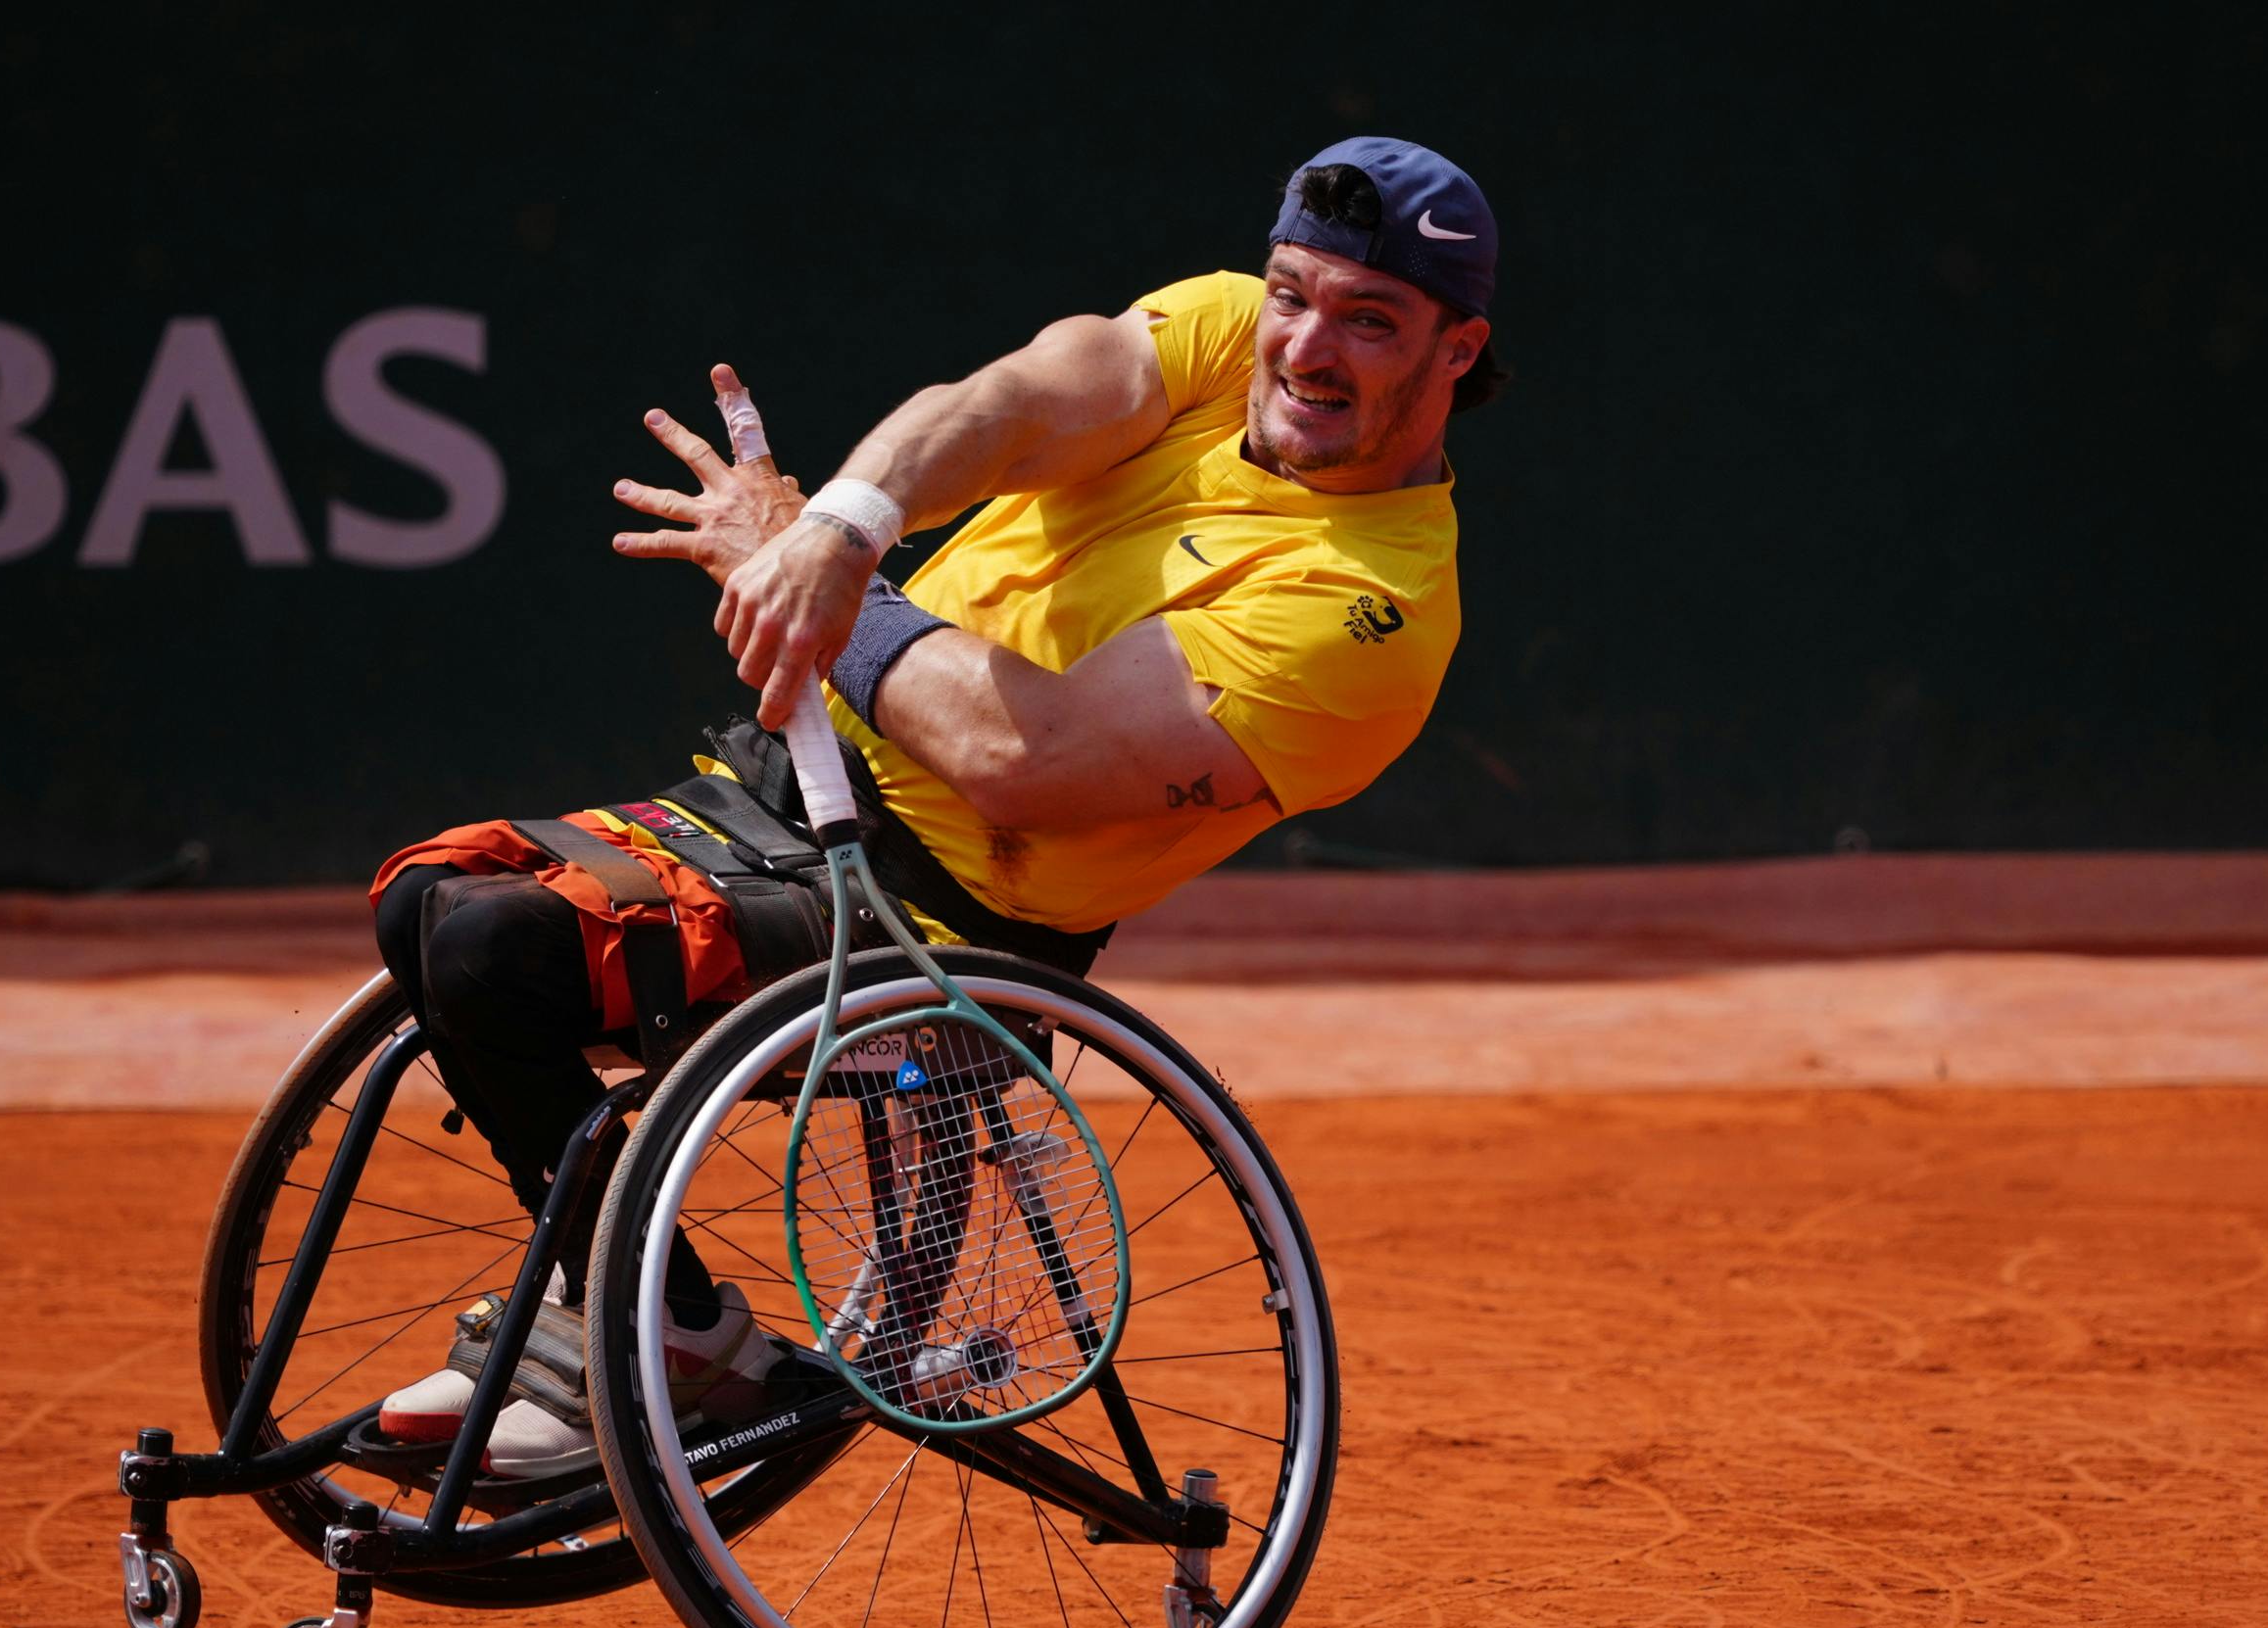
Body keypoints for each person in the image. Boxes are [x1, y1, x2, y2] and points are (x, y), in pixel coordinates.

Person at [368, 136, 1504, 1476]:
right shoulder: (1219, 334)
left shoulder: (1375, 613)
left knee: (494, 954)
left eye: (1372, 322)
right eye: (1293, 294)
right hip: (775, 799)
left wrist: (827, 590)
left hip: (930, 932)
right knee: (429, 893)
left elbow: (1022, 755)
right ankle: (638, 1308)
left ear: (1458, 352)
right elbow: (1012, 398)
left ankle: (658, 1334)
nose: (1308, 345)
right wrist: (842, 525)